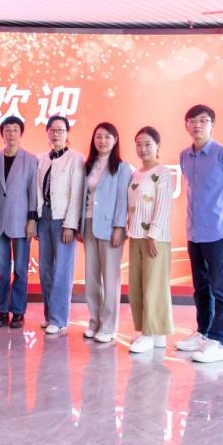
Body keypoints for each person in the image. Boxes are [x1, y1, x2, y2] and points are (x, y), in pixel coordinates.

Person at [176, 104, 223, 363]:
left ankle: (219, 340)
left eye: (203, 121)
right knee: (201, 287)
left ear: (212, 125)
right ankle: (203, 332)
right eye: (192, 121)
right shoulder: (185, 156)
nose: (197, 125)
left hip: (219, 232)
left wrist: (218, 214)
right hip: (194, 232)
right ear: (186, 125)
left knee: (221, 288)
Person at [80, 122, 133, 343]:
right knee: (91, 278)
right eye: (98, 136)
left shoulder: (122, 167)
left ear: (115, 140)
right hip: (88, 224)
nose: (102, 141)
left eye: (107, 137)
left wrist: (120, 227)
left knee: (110, 278)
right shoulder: (87, 165)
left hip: (111, 228)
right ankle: (95, 321)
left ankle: (109, 326)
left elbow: (123, 200)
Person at [126, 127, 175, 353]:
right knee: (138, 286)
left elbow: (163, 206)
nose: (143, 148)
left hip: (154, 239)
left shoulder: (163, 173)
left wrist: (153, 234)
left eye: (147, 144)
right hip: (135, 236)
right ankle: (155, 335)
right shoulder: (135, 174)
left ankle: (149, 334)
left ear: (158, 146)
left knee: (154, 287)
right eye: (139, 144)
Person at [35, 115, 85, 334]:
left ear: (67, 133)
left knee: (62, 270)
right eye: (52, 130)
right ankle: (49, 316)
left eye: (60, 130)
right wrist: (36, 219)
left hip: (63, 219)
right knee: (45, 269)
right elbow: (38, 191)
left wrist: (71, 224)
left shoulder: (76, 159)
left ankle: (59, 318)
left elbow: (77, 194)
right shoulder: (41, 159)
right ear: (47, 132)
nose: (56, 134)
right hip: (44, 216)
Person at [0, 116, 37, 329]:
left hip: (21, 222)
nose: (11, 133)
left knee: (20, 269)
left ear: (21, 133)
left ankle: (18, 311)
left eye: (15, 129)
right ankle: (2, 311)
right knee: (2, 271)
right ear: (2, 134)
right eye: (7, 130)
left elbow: (33, 193)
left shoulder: (30, 159)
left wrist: (32, 220)